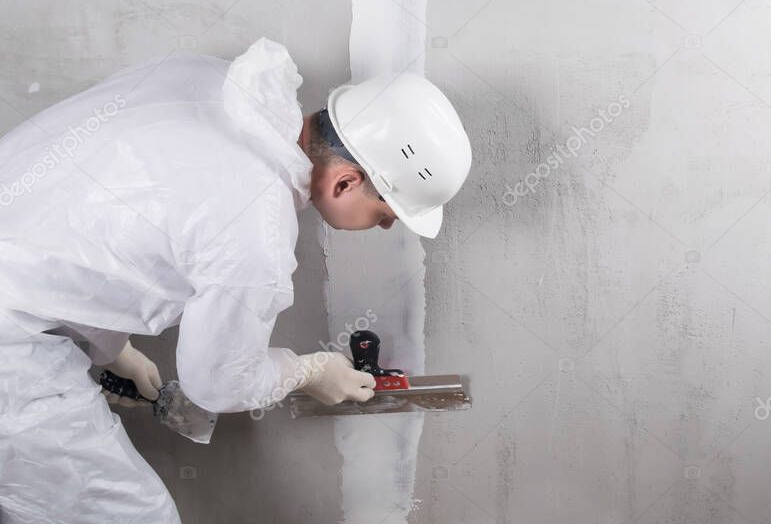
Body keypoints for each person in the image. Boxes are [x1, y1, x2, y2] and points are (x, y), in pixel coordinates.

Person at [0, 38, 472, 523]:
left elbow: (87, 219)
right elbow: (218, 384)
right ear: (347, 182)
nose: (389, 225)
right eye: (388, 211)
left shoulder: (213, 81)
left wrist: (108, 348)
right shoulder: (257, 226)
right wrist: (309, 372)